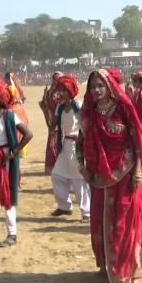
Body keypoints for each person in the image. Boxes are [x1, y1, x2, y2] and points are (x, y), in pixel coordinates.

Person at [77, 68, 142, 283]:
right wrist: (82, 167)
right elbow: (80, 142)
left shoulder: (124, 107)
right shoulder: (89, 113)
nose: (96, 90)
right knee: (100, 221)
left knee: (123, 223)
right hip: (99, 177)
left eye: (100, 86)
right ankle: (107, 265)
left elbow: (138, 139)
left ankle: (127, 269)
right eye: (92, 87)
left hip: (126, 175)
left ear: (109, 86)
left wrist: (139, 168)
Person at [0, 72, 34, 247]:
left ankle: (12, 234)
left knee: (8, 195)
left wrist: (13, 153)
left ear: (2, 100)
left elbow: (28, 134)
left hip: (5, 160)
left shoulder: (10, 116)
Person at [50, 74, 90, 222]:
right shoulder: (59, 108)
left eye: (64, 90)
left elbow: (87, 124)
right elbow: (53, 126)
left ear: (70, 91)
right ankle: (64, 206)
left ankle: (86, 212)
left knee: (79, 179)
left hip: (78, 145)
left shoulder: (78, 106)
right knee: (57, 175)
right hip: (65, 144)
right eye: (59, 90)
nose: (60, 93)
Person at [39, 72, 63, 175]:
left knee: (53, 143)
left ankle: (52, 166)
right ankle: (57, 166)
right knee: (56, 143)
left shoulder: (50, 91)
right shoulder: (57, 92)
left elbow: (44, 104)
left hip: (53, 120)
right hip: (57, 120)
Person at [4, 71, 30, 158]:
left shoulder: (9, 88)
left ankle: (15, 149)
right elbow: (24, 98)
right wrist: (19, 101)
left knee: (15, 130)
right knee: (22, 130)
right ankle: (22, 151)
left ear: (8, 79)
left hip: (13, 110)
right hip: (20, 110)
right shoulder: (17, 86)